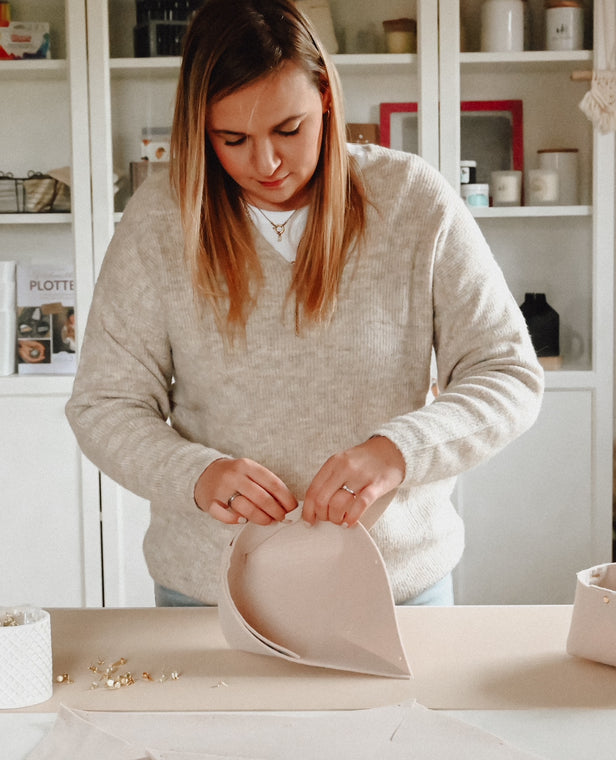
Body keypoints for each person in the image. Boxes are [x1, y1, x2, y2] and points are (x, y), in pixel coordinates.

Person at [66, 0, 544, 608]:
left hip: (394, 588)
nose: (265, 163)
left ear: (324, 98)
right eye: (232, 138)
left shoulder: (412, 200)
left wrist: (400, 451)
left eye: (288, 130)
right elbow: (104, 405)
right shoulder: (160, 221)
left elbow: (506, 374)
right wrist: (195, 475)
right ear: (198, 127)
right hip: (212, 594)